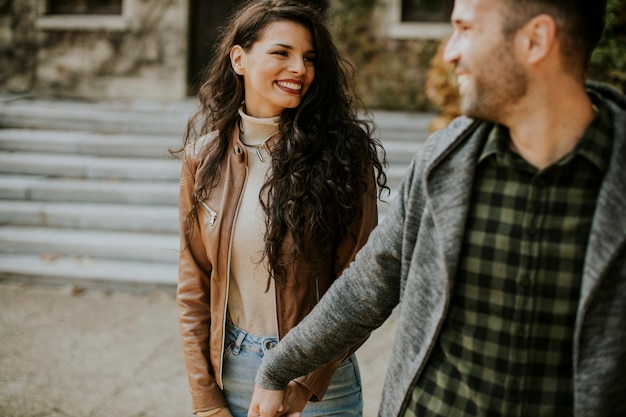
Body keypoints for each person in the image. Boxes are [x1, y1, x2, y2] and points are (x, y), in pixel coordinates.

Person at [249, 0, 626, 416]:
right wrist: (277, 369)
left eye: (465, 28)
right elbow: (365, 288)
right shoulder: (443, 164)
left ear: (535, 40)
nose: (449, 52)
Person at [174, 1, 388, 416]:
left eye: (309, 58)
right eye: (281, 53)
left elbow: (360, 282)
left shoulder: (342, 154)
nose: (300, 69)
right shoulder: (202, 159)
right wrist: (204, 398)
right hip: (232, 371)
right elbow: (194, 286)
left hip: (319, 377)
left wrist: (304, 380)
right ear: (239, 58)